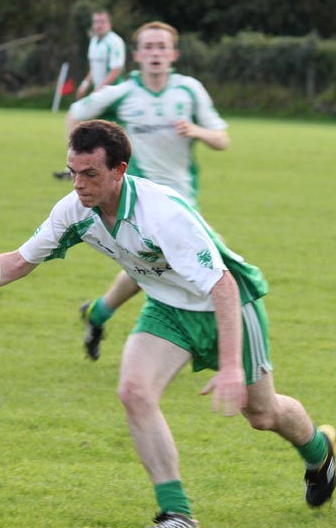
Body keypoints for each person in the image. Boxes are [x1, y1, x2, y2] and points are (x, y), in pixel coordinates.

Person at [0, 120, 336, 528]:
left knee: (262, 415)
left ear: (120, 171)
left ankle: (319, 452)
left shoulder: (161, 214)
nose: (78, 184)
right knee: (133, 390)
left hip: (227, 305)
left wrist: (229, 367)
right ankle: (177, 512)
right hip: (167, 308)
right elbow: (21, 260)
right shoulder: (74, 210)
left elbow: (222, 285)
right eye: (73, 172)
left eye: (90, 174)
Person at [66, 21, 230, 360]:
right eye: (149, 47)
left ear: (173, 54)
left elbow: (222, 139)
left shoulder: (189, 91)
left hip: (183, 200)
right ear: (137, 55)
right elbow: (77, 113)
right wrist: (77, 160)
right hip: (139, 200)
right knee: (215, 262)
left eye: (162, 47)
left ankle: (98, 314)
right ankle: (211, 348)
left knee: (151, 267)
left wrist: (197, 131)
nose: (155, 53)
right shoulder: (125, 92)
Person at [53, 10, 126, 180]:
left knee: (74, 116)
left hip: (113, 94)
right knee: (102, 132)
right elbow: (95, 69)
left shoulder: (115, 42)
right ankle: (82, 168)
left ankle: (75, 167)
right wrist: (86, 83)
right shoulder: (94, 41)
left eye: (102, 21)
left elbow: (116, 70)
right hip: (100, 93)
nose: (99, 25)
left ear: (109, 23)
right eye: (96, 22)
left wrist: (99, 90)